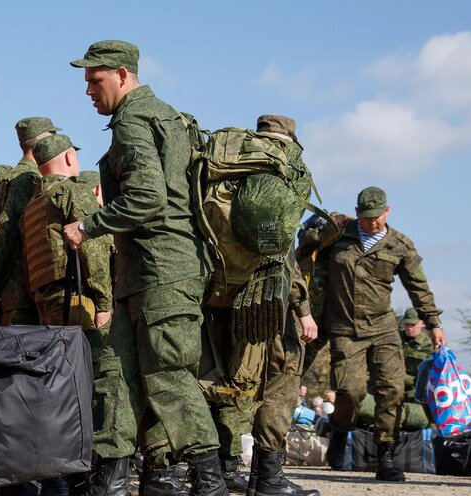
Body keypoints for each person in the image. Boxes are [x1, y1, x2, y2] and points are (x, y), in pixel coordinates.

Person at [63, 40, 225, 496]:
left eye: (95, 81)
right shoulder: (159, 116)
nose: (89, 91)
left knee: (168, 375)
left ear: (122, 74)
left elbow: (148, 198)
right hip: (142, 274)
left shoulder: (135, 120)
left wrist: (87, 226)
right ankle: (110, 480)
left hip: (164, 271)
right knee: (117, 376)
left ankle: (210, 482)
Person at [203, 116, 319, 496]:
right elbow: (280, 251)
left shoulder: (227, 167)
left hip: (217, 290)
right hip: (266, 298)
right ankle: (268, 477)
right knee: (281, 377)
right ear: (291, 142)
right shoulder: (282, 172)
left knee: (227, 377)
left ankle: (221, 467)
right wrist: (302, 308)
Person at [323, 186, 446, 483]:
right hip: (345, 328)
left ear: (388, 211)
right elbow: (306, 256)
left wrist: (433, 323)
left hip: (383, 328)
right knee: (350, 391)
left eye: (378, 216)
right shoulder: (337, 235)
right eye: (367, 217)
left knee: (392, 390)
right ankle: (340, 430)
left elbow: (418, 287)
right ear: (357, 213)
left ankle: (386, 455)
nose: (373, 221)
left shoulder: (400, 245)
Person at [0, 117, 61, 328]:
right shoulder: (27, 179)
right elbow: (3, 238)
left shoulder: (8, 178)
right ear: (45, 140)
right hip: (24, 296)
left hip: (15, 295)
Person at [21, 134, 112, 330]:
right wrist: (104, 304)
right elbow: (92, 249)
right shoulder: (73, 190)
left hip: (45, 305)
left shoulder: (32, 205)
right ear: (69, 157)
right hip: (77, 301)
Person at [400, 308, 434, 403]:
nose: (409, 328)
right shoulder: (394, 340)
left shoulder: (430, 345)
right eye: (407, 324)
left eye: (413, 325)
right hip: (391, 390)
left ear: (422, 323)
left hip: (416, 393)